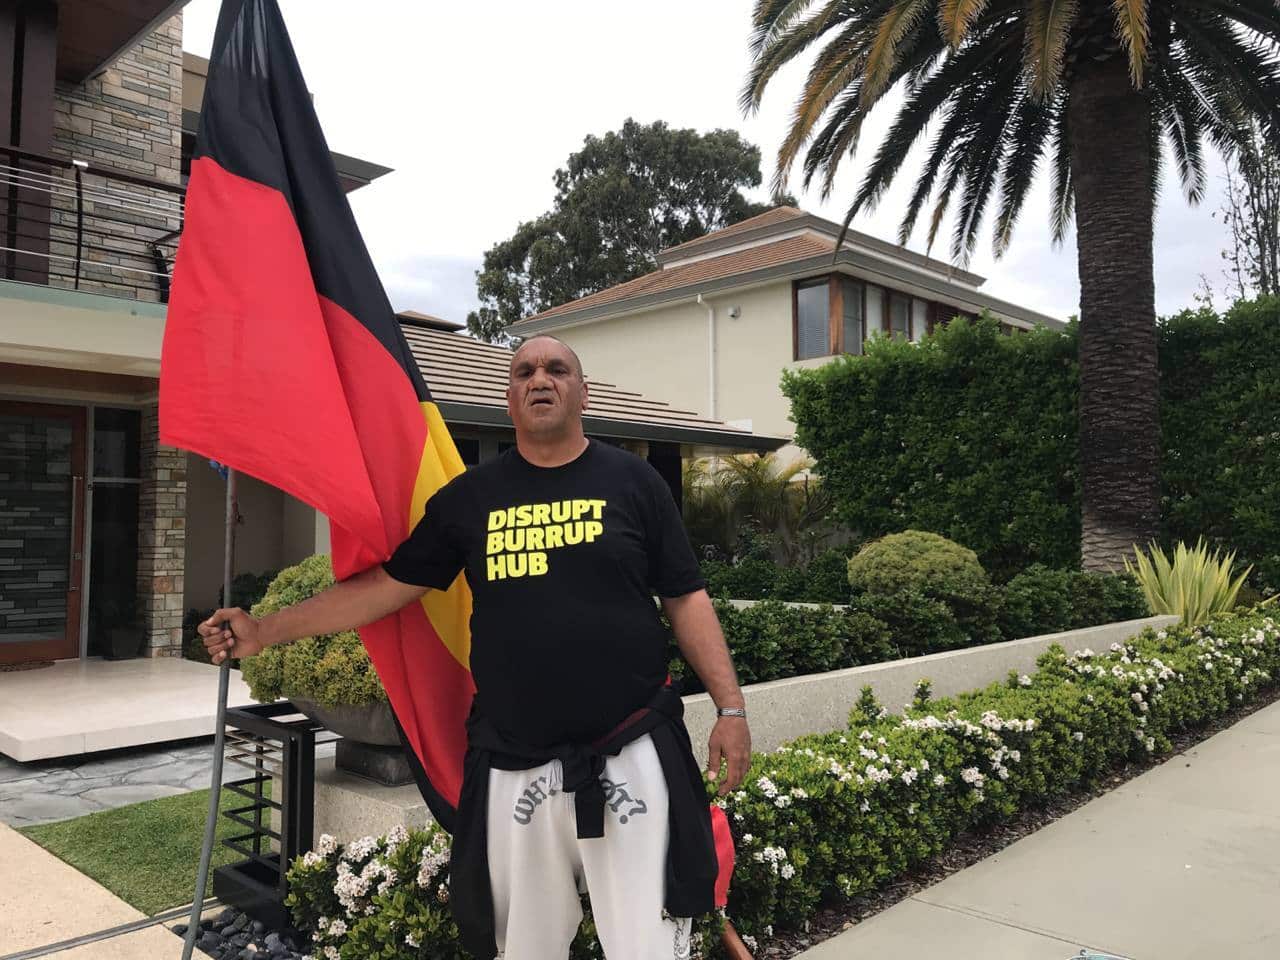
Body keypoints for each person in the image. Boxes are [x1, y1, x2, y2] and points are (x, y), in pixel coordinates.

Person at [200, 334, 752, 960]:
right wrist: (266, 630)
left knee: (650, 945)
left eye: (557, 369)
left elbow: (686, 597)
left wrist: (730, 710)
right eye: (524, 372)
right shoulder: (470, 499)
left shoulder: (636, 483)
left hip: (631, 749)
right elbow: (387, 587)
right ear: (510, 399)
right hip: (516, 761)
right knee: (523, 947)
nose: (540, 378)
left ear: (583, 393)